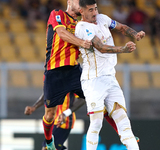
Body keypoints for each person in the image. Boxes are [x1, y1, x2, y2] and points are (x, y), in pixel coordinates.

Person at [74, 0, 145, 149]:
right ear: (82, 11)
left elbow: (121, 27)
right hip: (93, 80)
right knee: (97, 122)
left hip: (110, 78)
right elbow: (100, 48)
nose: (95, 13)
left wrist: (135, 34)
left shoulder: (102, 18)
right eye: (90, 10)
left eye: (95, 9)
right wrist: (123, 49)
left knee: (123, 120)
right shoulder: (82, 27)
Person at [42, 0, 91, 149]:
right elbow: (62, 33)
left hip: (73, 70)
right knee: (49, 114)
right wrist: (82, 42)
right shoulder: (57, 14)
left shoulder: (81, 25)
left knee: (95, 95)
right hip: (54, 71)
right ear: (69, 1)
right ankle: (49, 141)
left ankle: (124, 131)